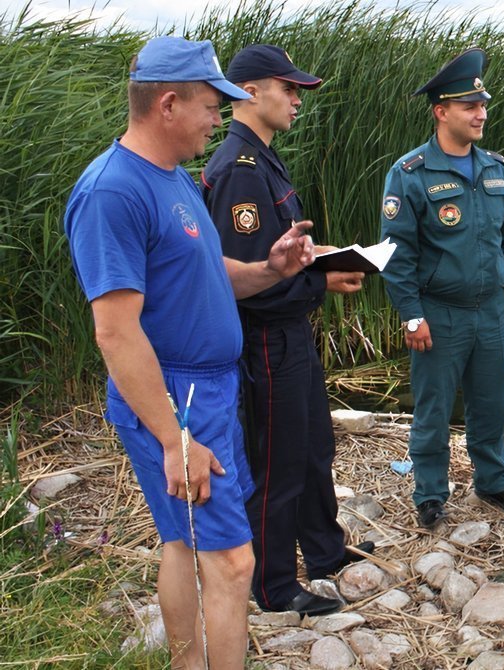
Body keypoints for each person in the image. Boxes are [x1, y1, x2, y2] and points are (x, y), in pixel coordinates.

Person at [63, 37, 316, 668]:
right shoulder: (112, 193)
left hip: (207, 390)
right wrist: (176, 438)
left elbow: (210, 276)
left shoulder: (172, 177)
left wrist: (272, 269)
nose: (218, 119)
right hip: (175, 397)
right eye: (211, 106)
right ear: (169, 104)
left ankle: (186, 662)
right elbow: (115, 332)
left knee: (182, 542)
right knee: (233, 562)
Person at [201, 44, 373, 617]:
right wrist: (321, 283)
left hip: (290, 335)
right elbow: (256, 280)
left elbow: (283, 256)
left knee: (314, 447)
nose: (297, 100)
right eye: (289, 89)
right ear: (250, 92)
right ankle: (273, 586)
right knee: (277, 461)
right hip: (266, 341)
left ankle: (324, 553)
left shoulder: (265, 159)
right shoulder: (238, 171)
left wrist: (329, 259)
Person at [379, 47, 504, 529]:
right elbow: (397, 253)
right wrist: (411, 313)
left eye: (483, 105)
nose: (481, 114)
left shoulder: (495, 168)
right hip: (439, 312)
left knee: (492, 403)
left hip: (490, 310)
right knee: (432, 409)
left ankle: (494, 482)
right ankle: (430, 493)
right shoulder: (409, 174)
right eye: (470, 106)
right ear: (441, 111)